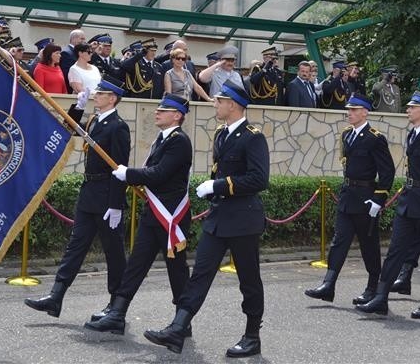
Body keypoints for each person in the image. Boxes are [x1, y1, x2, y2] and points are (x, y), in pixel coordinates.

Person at [143, 79, 269, 357]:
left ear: (233, 105)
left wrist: (219, 186)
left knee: (249, 279)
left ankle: (252, 336)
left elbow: (259, 179)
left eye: (220, 100)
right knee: (199, 274)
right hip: (219, 216)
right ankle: (178, 328)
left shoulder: (253, 136)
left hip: (243, 219)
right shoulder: (222, 134)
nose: (216, 103)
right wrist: (214, 192)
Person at [85, 93, 194, 335]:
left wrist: (129, 174)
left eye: (163, 109)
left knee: (177, 271)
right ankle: (117, 314)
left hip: (170, 216)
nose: (157, 111)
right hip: (154, 214)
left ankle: (182, 322)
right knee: (136, 264)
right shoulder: (163, 139)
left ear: (177, 115)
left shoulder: (179, 141)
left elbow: (159, 173)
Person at [24, 76, 130, 322]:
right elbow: (69, 127)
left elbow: (119, 168)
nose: (96, 96)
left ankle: (116, 307)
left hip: (106, 197)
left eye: (101, 94)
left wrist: (116, 205)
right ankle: (56, 296)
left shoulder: (118, 127)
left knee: (114, 253)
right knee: (75, 247)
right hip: (89, 193)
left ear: (112, 99)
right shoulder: (95, 120)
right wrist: (78, 107)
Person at [355, 92, 420, 318]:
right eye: (409, 107)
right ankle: (381, 297)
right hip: (410, 198)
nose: (408, 110)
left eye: (413, 107)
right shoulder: (413, 134)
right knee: (395, 249)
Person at [305, 93, 394, 307]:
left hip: (365, 198)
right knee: (339, 241)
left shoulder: (375, 138)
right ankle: (328, 285)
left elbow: (387, 171)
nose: (350, 113)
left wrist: (378, 199)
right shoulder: (347, 135)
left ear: (365, 112)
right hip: (347, 195)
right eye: (349, 109)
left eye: (354, 110)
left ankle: (373, 288)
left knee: (369, 246)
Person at [60, 29, 85, 93]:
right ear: (73, 39)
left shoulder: (79, 52)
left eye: (84, 39)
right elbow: (66, 73)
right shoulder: (66, 53)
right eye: (81, 39)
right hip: (70, 89)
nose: (83, 41)